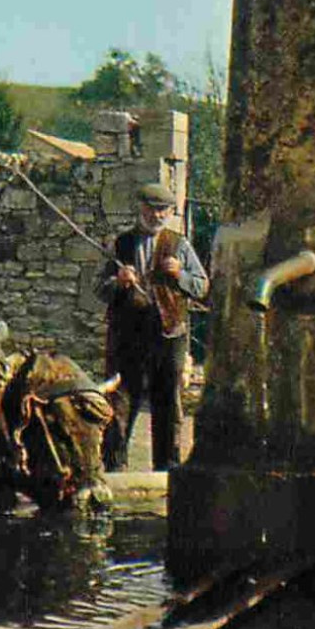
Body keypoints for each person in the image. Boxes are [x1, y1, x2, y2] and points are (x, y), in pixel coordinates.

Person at [95, 182, 209, 471]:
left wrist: (181, 275)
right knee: (120, 403)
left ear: (171, 212)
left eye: (163, 210)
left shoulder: (179, 245)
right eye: (152, 209)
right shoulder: (121, 244)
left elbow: (202, 286)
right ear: (140, 208)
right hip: (127, 338)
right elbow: (98, 289)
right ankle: (114, 467)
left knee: (168, 404)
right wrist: (117, 282)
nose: (157, 215)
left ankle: (167, 469)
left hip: (169, 336)